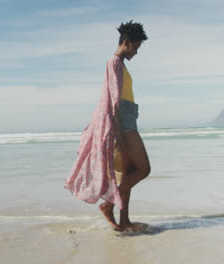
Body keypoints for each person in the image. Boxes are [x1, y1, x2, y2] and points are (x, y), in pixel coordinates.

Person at [64, 21, 150, 232]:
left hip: (128, 119)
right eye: (135, 47)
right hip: (124, 124)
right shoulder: (114, 63)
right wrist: (119, 133)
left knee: (130, 171)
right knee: (143, 169)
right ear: (126, 42)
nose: (136, 53)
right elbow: (113, 101)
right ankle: (108, 205)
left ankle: (124, 221)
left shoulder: (120, 64)